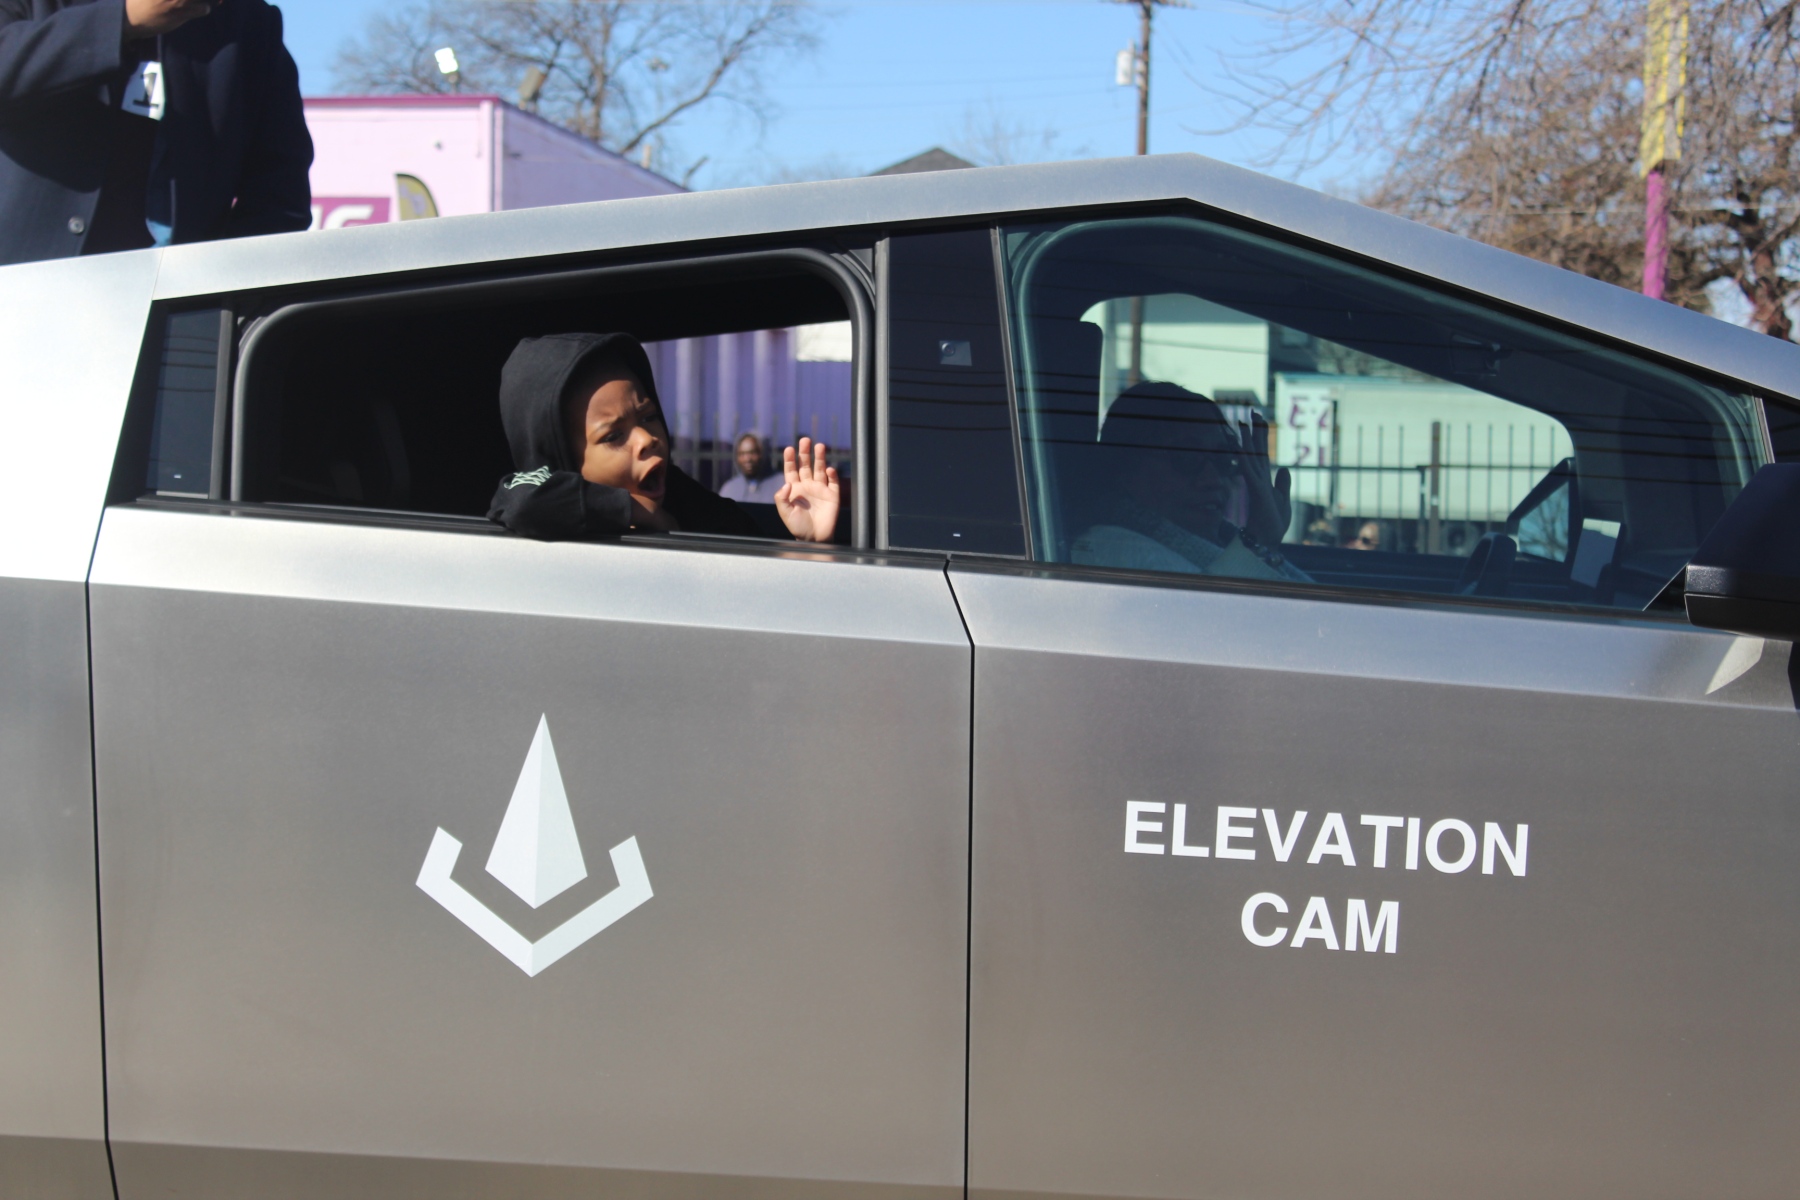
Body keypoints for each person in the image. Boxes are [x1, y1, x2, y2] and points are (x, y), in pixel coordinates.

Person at [0, 0, 313, 266]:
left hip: (170, 306)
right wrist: (122, 21)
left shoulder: (249, 23)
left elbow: (280, 196)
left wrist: (215, 293)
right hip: (22, 292)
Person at [488, 332, 841, 543]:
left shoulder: (681, 496)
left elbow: (745, 545)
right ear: (561, 457)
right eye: (613, 435)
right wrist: (633, 511)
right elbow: (520, 500)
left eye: (649, 416)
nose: (646, 438)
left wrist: (808, 542)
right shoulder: (544, 512)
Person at [1070, 381, 1310, 583]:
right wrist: (1257, 543)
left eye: (1223, 460)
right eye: (1187, 458)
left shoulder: (1216, 544)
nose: (1213, 480)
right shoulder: (1110, 548)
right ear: (1125, 468)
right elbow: (1207, 619)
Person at [718, 432, 783, 503]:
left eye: (752, 453)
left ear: (763, 453)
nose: (747, 459)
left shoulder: (781, 484)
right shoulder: (729, 489)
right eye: (742, 454)